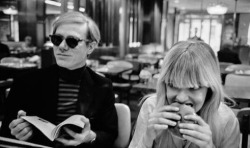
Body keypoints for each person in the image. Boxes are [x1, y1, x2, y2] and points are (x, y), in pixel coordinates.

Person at [0, 11, 118, 148]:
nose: (62, 46)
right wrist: (19, 132)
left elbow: (110, 134)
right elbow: (6, 133)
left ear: (90, 47)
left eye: (72, 41)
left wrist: (91, 137)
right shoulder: (25, 82)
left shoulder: (102, 86)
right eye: (57, 39)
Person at [129, 40, 240, 148]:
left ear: (210, 89)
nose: (181, 98)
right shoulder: (151, 108)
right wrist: (145, 140)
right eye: (172, 85)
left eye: (193, 88)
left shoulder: (227, 120)